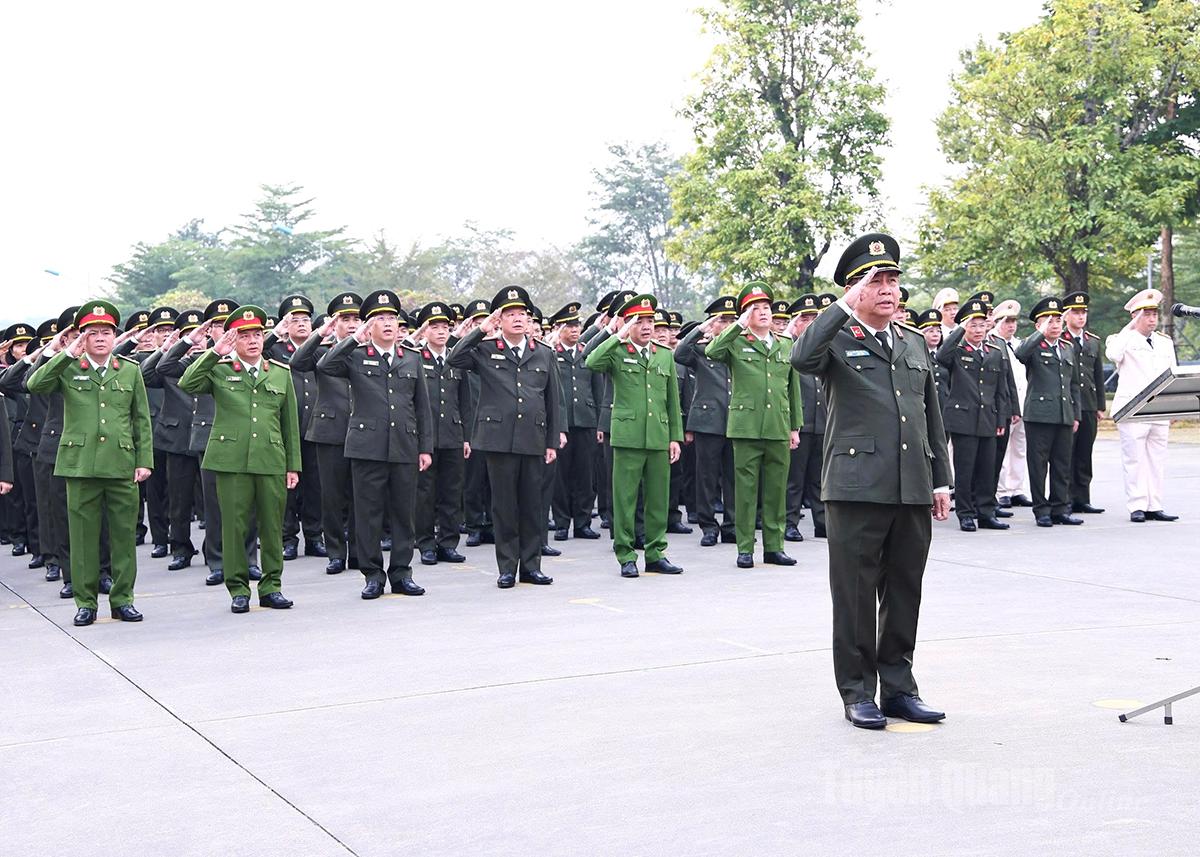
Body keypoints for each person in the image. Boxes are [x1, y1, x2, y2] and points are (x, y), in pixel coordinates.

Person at [790, 233, 951, 730]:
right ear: (853, 289)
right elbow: (800, 359)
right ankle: (857, 691)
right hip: (856, 485)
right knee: (856, 593)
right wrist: (841, 307)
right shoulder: (835, 336)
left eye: (892, 279)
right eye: (874, 280)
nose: (887, 288)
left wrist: (941, 480)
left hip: (911, 483)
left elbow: (931, 415)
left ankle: (900, 688)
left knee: (905, 590)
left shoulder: (910, 341)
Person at [27, 301, 153, 626]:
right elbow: (34, 385)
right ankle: (86, 602)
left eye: (106, 332)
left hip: (121, 464)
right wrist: (66, 354)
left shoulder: (129, 369)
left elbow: (141, 419)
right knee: (82, 538)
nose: (100, 338)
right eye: (92, 332)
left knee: (123, 537)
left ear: (116, 336)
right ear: (81, 337)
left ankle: (123, 599)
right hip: (79, 465)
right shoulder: (68, 367)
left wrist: (144, 461)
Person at [179, 305, 301, 613]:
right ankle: (238, 588)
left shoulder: (280, 373)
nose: (253, 341)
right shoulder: (219, 369)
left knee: (272, 526)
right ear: (234, 340)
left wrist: (293, 466)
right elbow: (187, 383)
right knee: (234, 527)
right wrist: (214, 351)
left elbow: (290, 424)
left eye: (257, 335)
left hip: (271, 459)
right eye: (244, 336)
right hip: (231, 460)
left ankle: (272, 586)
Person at [317, 290, 433, 598]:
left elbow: (422, 406)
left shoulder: (410, 357)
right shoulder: (355, 355)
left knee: (403, 513)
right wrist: (354, 338)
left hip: (405, 445)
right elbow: (325, 366)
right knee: (368, 514)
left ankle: (402, 573)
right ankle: (372, 575)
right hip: (367, 446)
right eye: (380, 318)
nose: (388, 324)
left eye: (392, 318)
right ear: (369, 325)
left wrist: (425, 447)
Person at [448, 286, 563, 588]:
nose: (517, 319)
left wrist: (552, 442)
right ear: (499, 320)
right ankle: (508, 567)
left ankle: (531, 565)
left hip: (533, 439)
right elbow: (453, 358)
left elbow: (553, 401)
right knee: (504, 506)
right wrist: (480, 331)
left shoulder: (544, 353)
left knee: (532, 505)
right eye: (509, 314)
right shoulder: (486, 350)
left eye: (521, 314)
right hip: (498, 439)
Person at [584, 294, 684, 578]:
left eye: (650, 320)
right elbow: (590, 361)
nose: (647, 326)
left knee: (657, 500)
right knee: (625, 500)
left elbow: (672, 401)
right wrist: (617, 336)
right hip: (627, 436)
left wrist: (674, 436)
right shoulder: (617, 351)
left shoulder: (663, 354)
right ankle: (626, 554)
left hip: (658, 435)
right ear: (628, 324)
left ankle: (655, 553)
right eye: (639, 321)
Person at [707, 282, 802, 568]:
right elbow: (712, 350)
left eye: (766, 308)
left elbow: (792, 388)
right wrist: (737, 324)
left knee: (776, 490)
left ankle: (775, 547)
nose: (762, 313)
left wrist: (794, 426)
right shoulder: (736, 341)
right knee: (745, 492)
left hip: (778, 425)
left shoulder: (786, 344)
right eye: (754, 309)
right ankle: (745, 548)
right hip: (746, 427)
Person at [289, 292, 362, 573]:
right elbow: (297, 361)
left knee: (361, 496)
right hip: (330, 431)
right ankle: (335, 551)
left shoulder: (368, 351)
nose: (352, 324)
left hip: (363, 432)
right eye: (345, 319)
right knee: (330, 496)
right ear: (335, 323)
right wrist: (321, 333)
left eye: (356, 318)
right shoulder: (323, 351)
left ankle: (358, 550)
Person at [936, 299, 1012, 531]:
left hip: (988, 418)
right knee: (965, 469)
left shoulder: (994, 352)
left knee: (987, 468)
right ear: (965, 327)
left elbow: (1001, 390)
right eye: (972, 326)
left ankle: (986, 512)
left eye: (981, 325)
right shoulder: (957, 351)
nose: (978, 330)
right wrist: (959, 328)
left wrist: (1001, 419)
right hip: (963, 419)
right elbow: (941, 356)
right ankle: (966, 513)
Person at [1105, 288, 1179, 523]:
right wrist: (1130, 327)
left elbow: (1172, 374)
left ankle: (1154, 504)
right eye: (1145, 314)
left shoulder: (1164, 342)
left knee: (1156, 459)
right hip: (1133, 409)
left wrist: (1174, 407)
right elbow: (1113, 353)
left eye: (1153, 314)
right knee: (1135, 459)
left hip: (1159, 408)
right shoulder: (1121, 339)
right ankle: (1137, 504)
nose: (1151, 319)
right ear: (1134, 317)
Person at [674, 296, 737, 546]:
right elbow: (679, 352)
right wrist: (700, 329)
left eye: (733, 319)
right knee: (706, 477)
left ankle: (732, 525)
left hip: (736, 419)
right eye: (723, 320)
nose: (728, 324)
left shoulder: (738, 349)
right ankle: (708, 525)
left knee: (734, 478)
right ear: (713, 323)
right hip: (708, 421)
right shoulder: (700, 350)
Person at [1014, 297, 1082, 527]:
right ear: (1038, 324)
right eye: (1048, 321)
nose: (1055, 325)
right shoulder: (1033, 346)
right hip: (1040, 414)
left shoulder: (1067, 347)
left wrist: (1076, 414)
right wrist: (1040, 333)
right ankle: (1041, 510)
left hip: (1063, 413)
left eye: (1057, 320)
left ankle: (1059, 508)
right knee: (1038, 465)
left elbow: (1073, 383)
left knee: (1062, 465)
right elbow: (1020, 354)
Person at [411, 300, 470, 565]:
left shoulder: (456, 358)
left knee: (451, 492)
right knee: (425, 494)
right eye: (434, 327)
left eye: (445, 326)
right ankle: (425, 543)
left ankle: (448, 542)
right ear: (424, 331)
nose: (441, 331)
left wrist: (466, 436)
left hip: (453, 434)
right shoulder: (415, 358)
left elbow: (465, 401)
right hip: (426, 437)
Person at [267, 296, 325, 561]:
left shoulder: (321, 350)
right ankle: (288, 538)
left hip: (316, 427)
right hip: (284, 428)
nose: (301, 324)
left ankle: (314, 536)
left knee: (316, 486)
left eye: (305, 320)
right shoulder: (275, 351)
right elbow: (256, 350)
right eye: (294, 320)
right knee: (287, 487)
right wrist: (274, 333)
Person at [548, 301, 603, 541]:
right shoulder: (550, 354)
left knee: (585, 474)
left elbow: (597, 389)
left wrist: (600, 422)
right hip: (561, 423)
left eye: (577, 324)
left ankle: (582, 522)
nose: (574, 329)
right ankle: (562, 522)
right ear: (559, 328)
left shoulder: (586, 352)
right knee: (561, 476)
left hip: (586, 420)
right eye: (569, 325)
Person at [785, 295, 826, 540]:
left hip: (821, 422)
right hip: (798, 425)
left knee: (820, 479)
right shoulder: (788, 348)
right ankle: (790, 522)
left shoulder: (822, 348)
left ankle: (822, 522)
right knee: (794, 480)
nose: (810, 323)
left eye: (814, 318)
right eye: (805, 319)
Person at [1062, 292, 1106, 515]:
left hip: (1088, 403)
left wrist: (1100, 405)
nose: (1081, 317)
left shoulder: (1093, 341)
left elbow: (1097, 375)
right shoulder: (1060, 339)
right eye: (1076, 313)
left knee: (1084, 452)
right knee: (1066, 453)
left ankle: (1082, 497)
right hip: (1067, 403)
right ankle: (1065, 498)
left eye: (1083, 313)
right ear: (1066, 315)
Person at [990, 300, 1033, 509]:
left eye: (1014, 321)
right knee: (1003, 450)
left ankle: (1016, 489)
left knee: (1020, 449)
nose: (1011, 325)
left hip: (1025, 403)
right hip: (1005, 405)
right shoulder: (993, 344)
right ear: (996, 322)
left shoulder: (1019, 344)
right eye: (1006, 321)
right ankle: (1002, 490)